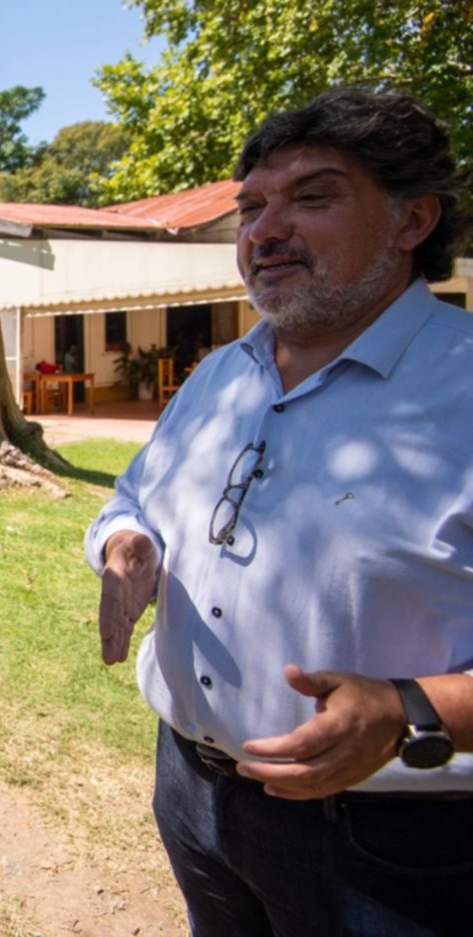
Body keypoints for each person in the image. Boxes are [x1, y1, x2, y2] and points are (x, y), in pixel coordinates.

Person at [88, 87, 473, 936]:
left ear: (413, 223)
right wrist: (126, 543)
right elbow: (134, 497)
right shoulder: (222, 372)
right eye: (253, 205)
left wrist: (412, 707)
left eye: (314, 196)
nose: (264, 230)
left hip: (394, 845)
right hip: (194, 791)